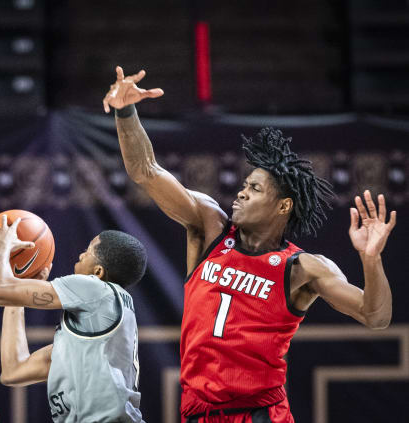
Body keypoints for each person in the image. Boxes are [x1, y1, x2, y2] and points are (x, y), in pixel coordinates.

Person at [103, 66, 396, 422]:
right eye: (244, 184)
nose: (241, 192)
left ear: (283, 206)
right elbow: (146, 171)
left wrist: (371, 259)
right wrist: (125, 112)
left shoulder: (302, 267)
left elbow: (375, 316)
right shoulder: (209, 227)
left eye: (255, 189)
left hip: (260, 413)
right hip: (199, 411)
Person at [0, 216, 147, 422]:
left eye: (88, 251)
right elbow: (13, 371)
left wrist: (2, 247)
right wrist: (17, 293)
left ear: (98, 272)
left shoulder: (95, 289)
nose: (81, 254)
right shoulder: (95, 332)